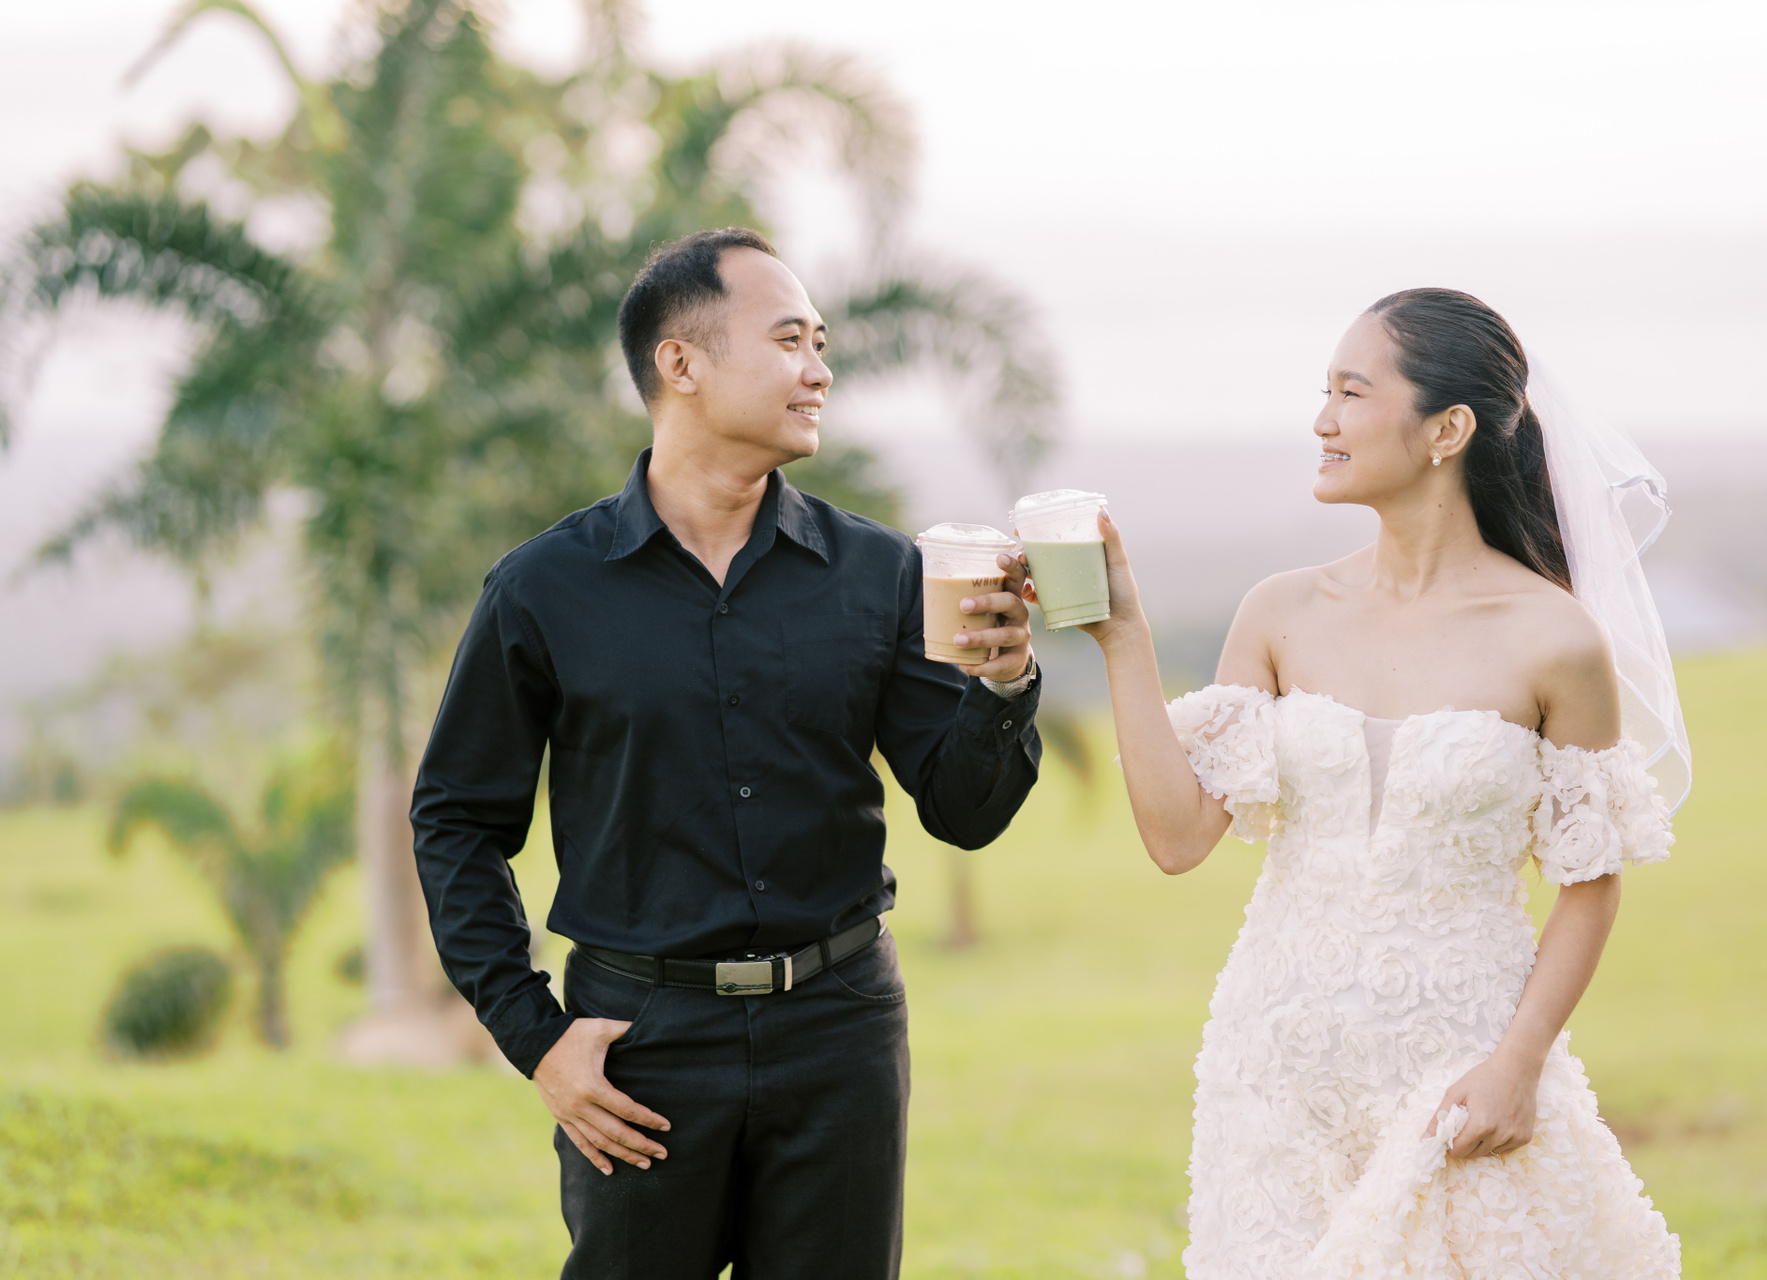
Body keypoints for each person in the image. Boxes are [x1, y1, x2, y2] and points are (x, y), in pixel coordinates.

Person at [410, 227, 1045, 1279]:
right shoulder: (542, 589)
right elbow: (456, 822)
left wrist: (1002, 687)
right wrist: (536, 1036)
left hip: (841, 1031)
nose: (820, 369)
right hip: (639, 1043)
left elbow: (963, 810)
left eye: (821, 342)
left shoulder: (881, 573)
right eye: (790, 340)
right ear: (681, 362)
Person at [1081, 289, 1686, 1274]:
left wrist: (1519, 1063)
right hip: (1275, 1071)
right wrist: (1122, 637)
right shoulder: (1281, 612)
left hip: (1459, 1070)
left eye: (1352, 392)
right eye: (1324, 391)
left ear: (1448, 429)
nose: (1323, 419)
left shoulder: (1555, 638)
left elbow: (1591, 880)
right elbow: (1178, 838)